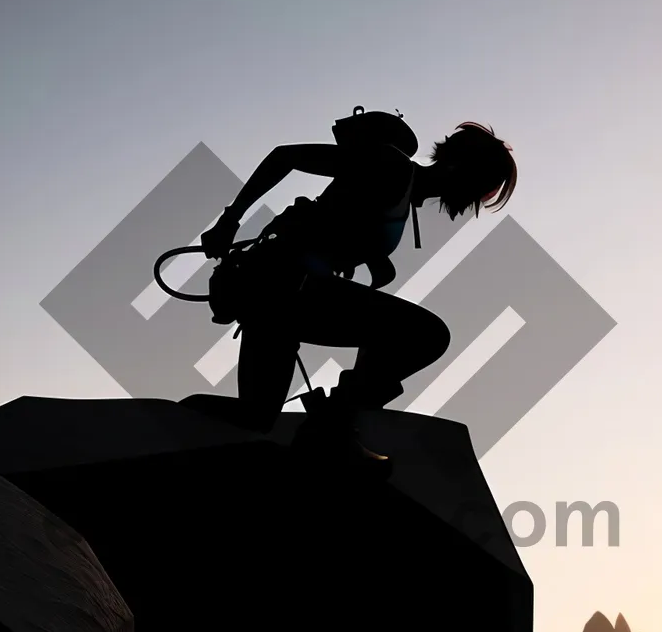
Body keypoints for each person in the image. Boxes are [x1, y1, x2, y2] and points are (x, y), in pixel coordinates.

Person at [195, 108, 517, 469]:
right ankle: (334, 423)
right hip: (283, 291)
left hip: (278, 303)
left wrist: (366, 259)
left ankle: (328, 424)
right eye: (483, 186)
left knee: (255, 418)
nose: (476, 198)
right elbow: (285, 157)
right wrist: (229, 221)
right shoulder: (390, 165)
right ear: (461, 170)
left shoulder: (400, 194)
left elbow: (340, 222)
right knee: (426, 335)